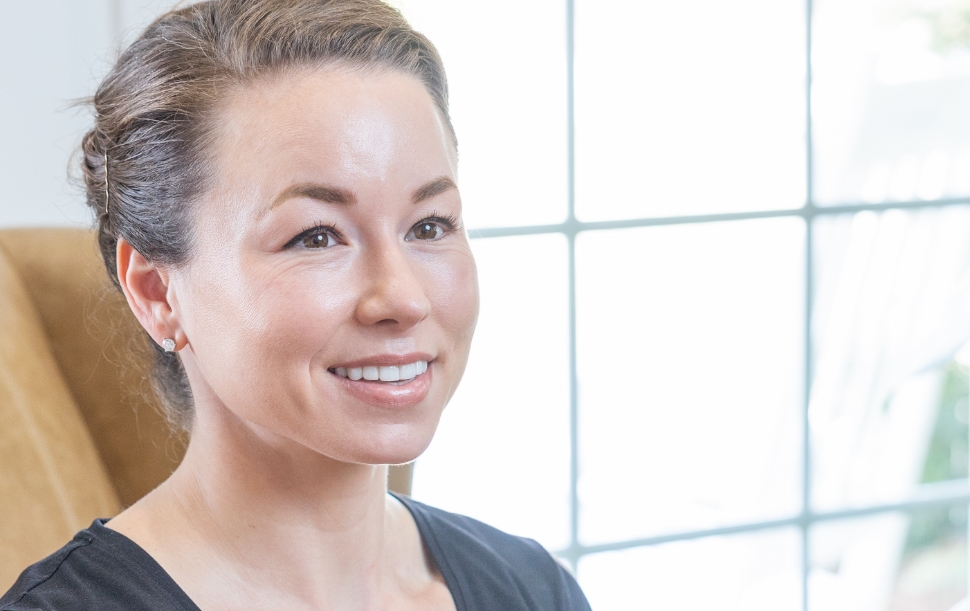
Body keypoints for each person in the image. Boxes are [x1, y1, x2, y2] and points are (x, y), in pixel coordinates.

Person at [0, 1, 591, 609]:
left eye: (431, 225)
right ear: (157, 292)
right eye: (316, 236)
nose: (404, 298)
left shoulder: (532, 588)